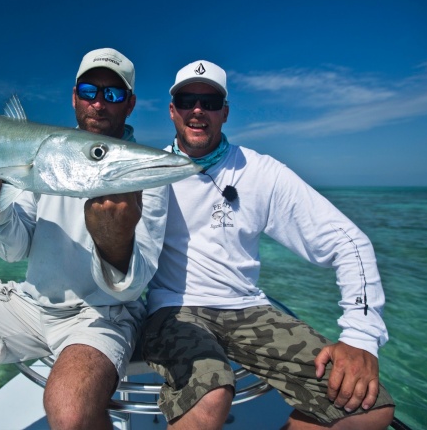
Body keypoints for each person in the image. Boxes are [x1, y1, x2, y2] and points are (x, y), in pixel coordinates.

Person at [0, 48, 169, 430]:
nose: (99, 104)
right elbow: (13, 251)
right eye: (90, 90)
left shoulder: (145, 172)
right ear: (74, 97)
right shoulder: (47, 153)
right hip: (31, 303)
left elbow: (130, 288)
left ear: (131, 103)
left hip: (101, 315)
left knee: (69, 413)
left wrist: (113, 238)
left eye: (114, 94)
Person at [142, 60, 396, 429]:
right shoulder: (146, 169)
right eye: (187, 100)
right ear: (172, 110)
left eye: (210, 103)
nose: (198, 110)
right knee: (211, 396)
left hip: (249, 308)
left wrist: (360, 335)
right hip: (174, 307)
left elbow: (348, 241)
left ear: (224, 113)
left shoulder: (261, 171)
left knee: (369, 409)